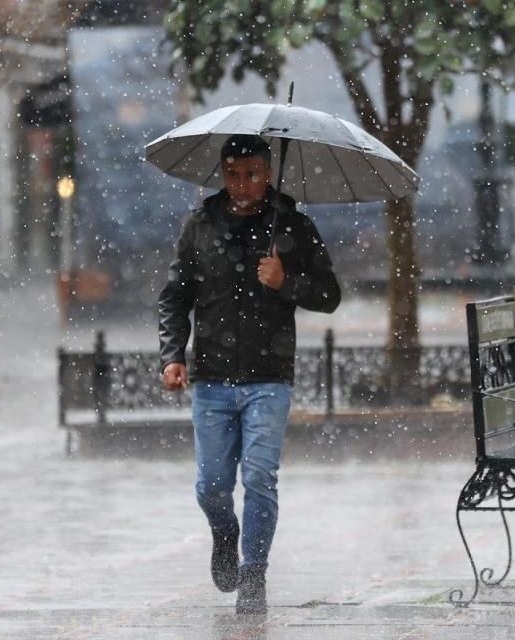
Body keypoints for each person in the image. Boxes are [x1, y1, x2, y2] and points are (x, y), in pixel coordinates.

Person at [158, 134, 342, 615]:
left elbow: (329, 294)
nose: (242, 185)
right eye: (233, 174)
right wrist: (172, 354)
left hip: (269, 377)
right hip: (212, 377)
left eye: (253, 174)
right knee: (212, 486)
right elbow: (175, 295)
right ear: (223, 173)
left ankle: (254, 572)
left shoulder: (294, 227)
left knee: (260, 477)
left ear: (268, 175)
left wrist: (287, 283)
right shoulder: (199, 225)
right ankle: (225, 533)